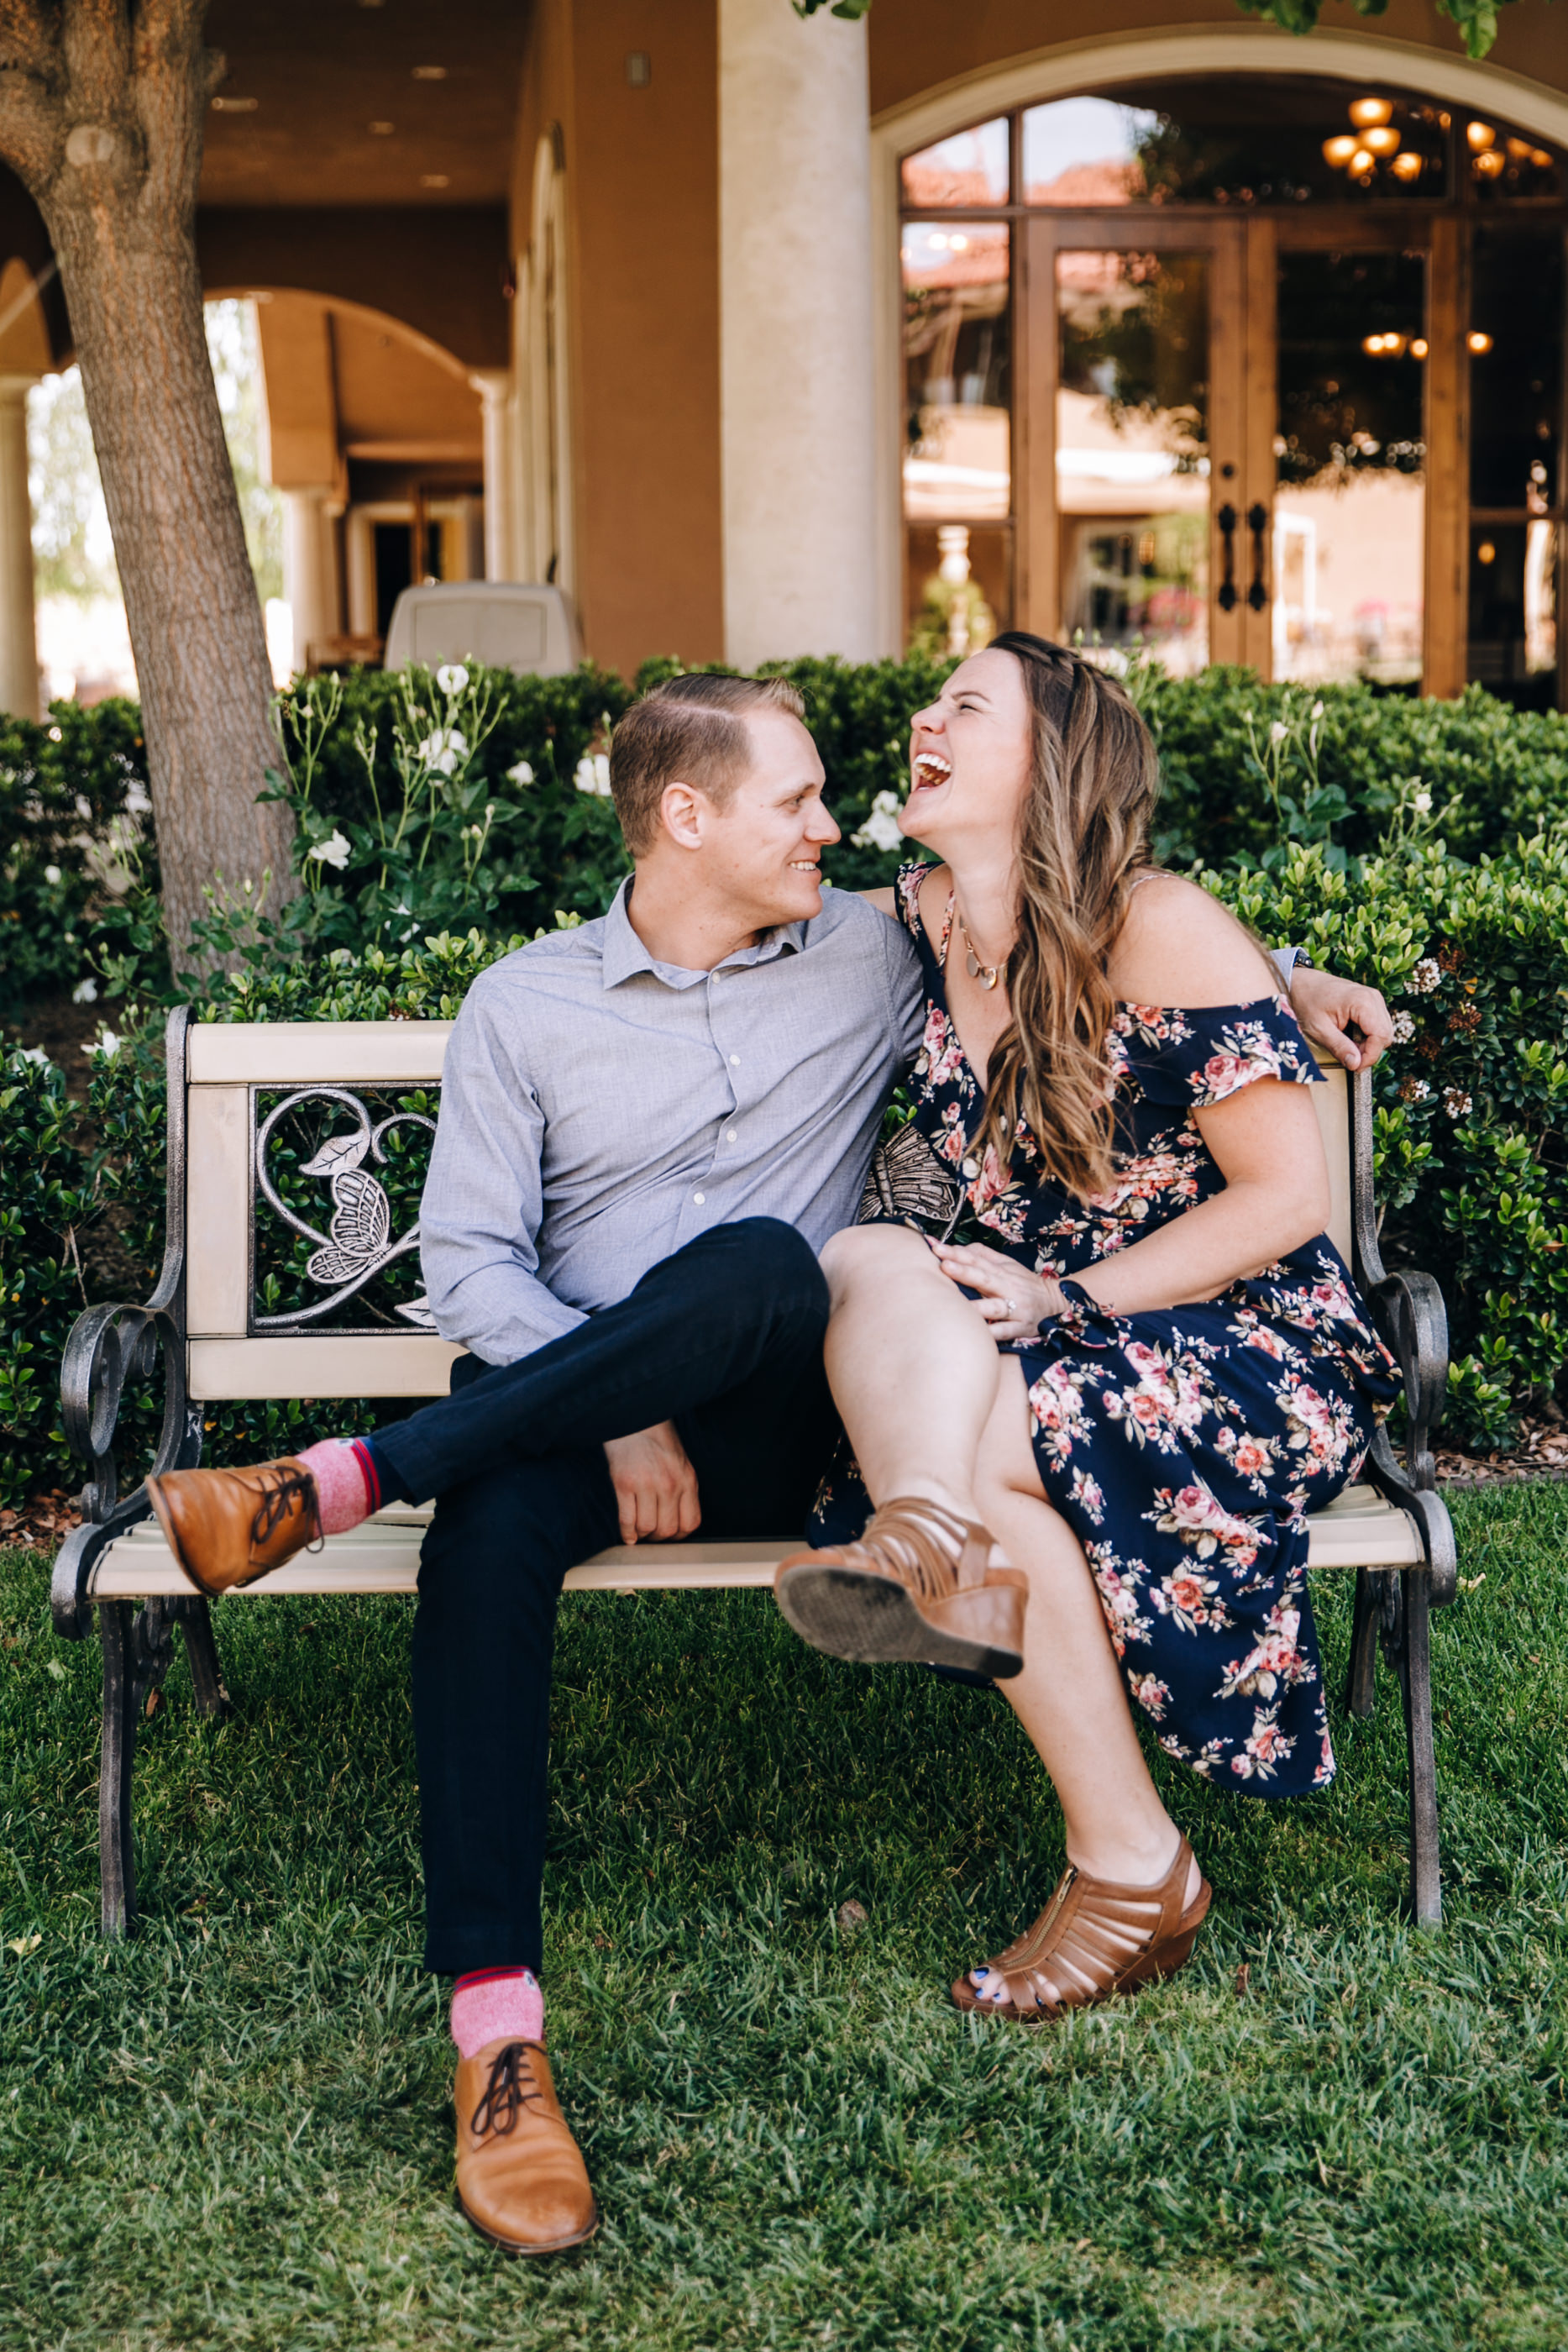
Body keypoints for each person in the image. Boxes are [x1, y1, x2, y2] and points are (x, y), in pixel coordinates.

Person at [143, 669, 1392, 2252]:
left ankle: (343, 1481)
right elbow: (466, 1263)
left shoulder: (869, 943)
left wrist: (1292, 981)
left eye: (846, 786)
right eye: (796, 801)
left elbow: (1107, 931)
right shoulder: (540, 1000)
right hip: (571, 1408)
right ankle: (496, 2039)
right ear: (686, 818)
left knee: (778, 1265)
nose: (835, 817)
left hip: (810, 1406)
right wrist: (610, 1402)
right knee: (488, 1541)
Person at [774, 633, 1400, 2026]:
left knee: (980, 1419)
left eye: (966, 707)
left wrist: (1070, 1298)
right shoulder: (922, 918)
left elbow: (1289, 1200)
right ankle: (1113, 1834)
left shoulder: (1155, 923)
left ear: (1051, 762)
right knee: (886, 1278)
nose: (925, 721)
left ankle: (1127, 1860)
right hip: (1043, 1337)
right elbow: (735, 922)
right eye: (934, 701)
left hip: (1236, 1335)